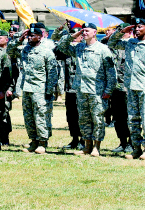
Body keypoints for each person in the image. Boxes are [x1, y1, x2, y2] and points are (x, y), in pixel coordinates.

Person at [108, 18, 145, 161]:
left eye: (140, 27)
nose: (137, 29)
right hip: (131, 87)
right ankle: (136, 148)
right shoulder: (130, 44)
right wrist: (121, 31)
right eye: (136, 27)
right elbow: (111, 43)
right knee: (132, 120)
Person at [58, 23, 116, 157]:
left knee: (97, 119)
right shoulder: (79, 47)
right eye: (82, 31)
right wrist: (75, 34)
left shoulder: (103, 49)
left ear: (95, 32)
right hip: (81, 90)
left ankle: (96, 147)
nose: (84, 33)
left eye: (86, 31)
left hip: (97, 91)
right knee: (84, 120)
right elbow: (62, 46)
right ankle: (87, 145)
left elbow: (111, 73)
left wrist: (108, 90)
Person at [7, 27, 58, 154]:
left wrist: (49, 91)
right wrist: (19, 38)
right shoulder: (25, 50)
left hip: (41, 89)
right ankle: (33, 141)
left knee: (41, 117)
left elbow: (52, 73)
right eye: (28, 35)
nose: (29, 37)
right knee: (29, 117)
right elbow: (10, 51)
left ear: (40, 37)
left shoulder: (47, 52)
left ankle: (42, 142)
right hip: (27, 88)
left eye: (32, 35)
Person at [53, 26, 84, 151]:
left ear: (81, 37)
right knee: (71, 116)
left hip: (82, 89)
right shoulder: (67, 50)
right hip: (70, 89)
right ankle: (74, 138)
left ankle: (84, 140)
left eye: (77, 36)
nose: (75, 38)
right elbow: (57, 48)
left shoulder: (84, 50)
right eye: (73, 36)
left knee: (82, 115)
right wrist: (68, 36)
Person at [105, 23, 132, 153]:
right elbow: (111, 42)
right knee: (118, 117)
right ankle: (122, 142)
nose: (120, 32)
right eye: (118, 30)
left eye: (123, 30)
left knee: (130, 117)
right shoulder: (115, 45)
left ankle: (132, 143)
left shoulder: (132, 44)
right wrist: (119, 32)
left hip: (129, 87)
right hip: (116, 87)